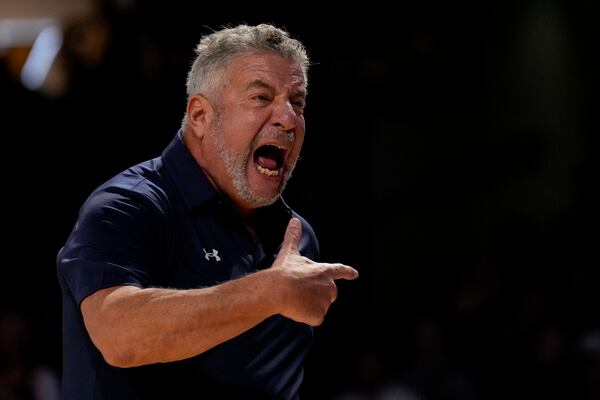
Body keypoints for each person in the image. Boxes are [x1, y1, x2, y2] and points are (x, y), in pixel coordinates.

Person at [56, 23, 358, 400]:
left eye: (297, 102)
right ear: (200, 115)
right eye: (261, 97)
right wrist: (268, 292)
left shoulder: (296, 239)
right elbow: (120, 336)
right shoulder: (129, 205)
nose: (289, 119)